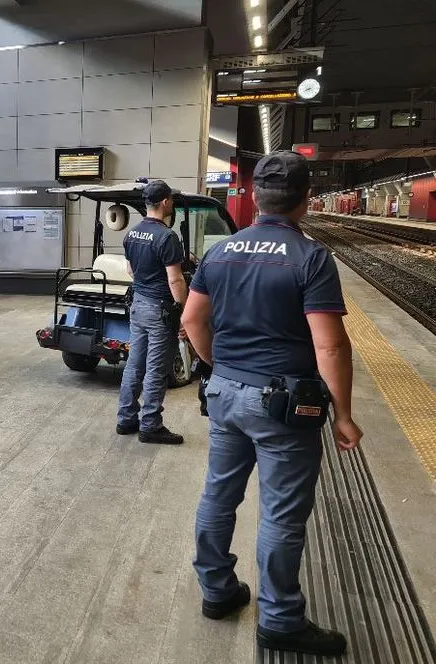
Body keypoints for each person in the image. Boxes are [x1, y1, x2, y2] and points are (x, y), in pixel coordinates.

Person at [181, 151, 363, 657]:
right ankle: (281, 620)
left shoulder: (221, 252)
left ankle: (217, 591)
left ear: (255, 197)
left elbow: (193, 321)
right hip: (284, 404)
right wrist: (344, 414)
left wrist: (222, 369)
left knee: (219, 495)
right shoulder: (310, 257)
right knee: (282, 515)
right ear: (306, 200)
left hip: (225, 395)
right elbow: (329, 345)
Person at [116, 180, 188, 445]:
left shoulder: (131, 234)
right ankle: (150, 425)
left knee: (135, 364)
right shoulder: (167, 237)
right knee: (157, 369)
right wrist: (182, 310)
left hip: (138, 305)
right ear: (166, 202)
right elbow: (175, 280)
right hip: (160, 309)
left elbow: (130, 271)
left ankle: (126, 420)